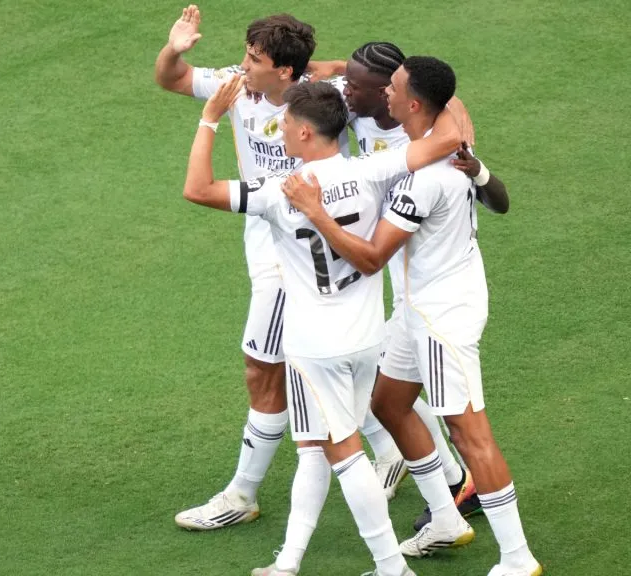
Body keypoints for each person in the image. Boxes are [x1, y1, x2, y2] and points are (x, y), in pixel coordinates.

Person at [182, 75, 462, 576]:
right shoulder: (373, 169)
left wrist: (209, 119)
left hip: (315, 346)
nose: (281, 129)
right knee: (312, 446)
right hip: (365, 337)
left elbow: (196, 188)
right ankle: (287, 563)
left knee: (344, 455)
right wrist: (435, 87)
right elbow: (448, 136)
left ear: (307, 133)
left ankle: (391, 567)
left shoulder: (277, 192)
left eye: (286, 123)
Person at [284, 56, 541, 576]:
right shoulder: (443, 144)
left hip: (444, 315)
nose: (386, 96)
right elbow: (498, 197)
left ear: (414, 104)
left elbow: (371, 257)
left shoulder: (422, 180)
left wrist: (315, 213)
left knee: (470, 433)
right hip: (414, 305)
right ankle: (447, 519)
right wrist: (480, 168)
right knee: (389, 403)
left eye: (394, 89)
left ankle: (518, 558)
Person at [154, 3, 345, 531]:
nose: (243, 64)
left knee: (266, 370)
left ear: (286, 71)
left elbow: (381, 80)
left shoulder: (330, 100)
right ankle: (419, 458)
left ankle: (242, 493)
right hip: (264, 238)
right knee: (330, 365)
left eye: (254, 57)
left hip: (298, 256)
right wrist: (175, 48)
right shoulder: (237, 85)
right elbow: (170, 78)